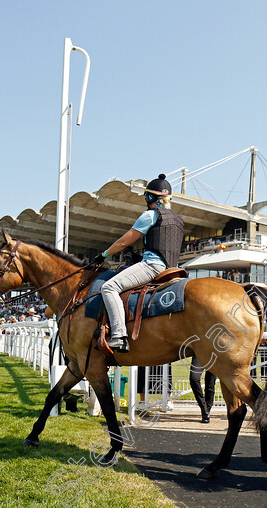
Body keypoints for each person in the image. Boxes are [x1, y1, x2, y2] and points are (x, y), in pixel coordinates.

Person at [96, 174, 185, 352]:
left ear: (150, 197)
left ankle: (119, 336)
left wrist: (104, 254)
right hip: (174, 269)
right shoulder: (178, 219)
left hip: (153, 267)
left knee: (109, 287)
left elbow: (123, 242)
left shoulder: (150, 215)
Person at [189, 357, 216, 423]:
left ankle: (207, 410)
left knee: (210, 385)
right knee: (194, 378)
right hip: (199, 354)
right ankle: (204, 407)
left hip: (214, 354)